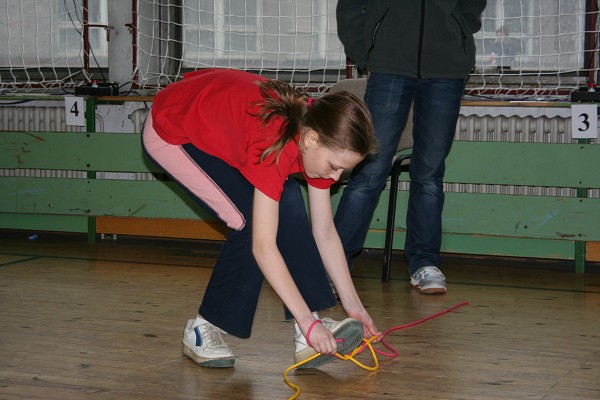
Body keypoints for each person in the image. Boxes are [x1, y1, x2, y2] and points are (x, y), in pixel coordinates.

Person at [142, 68, 381, 368]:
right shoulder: (276, 142)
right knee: (251, 222)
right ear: (309, 140)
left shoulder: (317, 139)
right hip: (172, 130)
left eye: (342, 171)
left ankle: (307, 330)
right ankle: (204, 328)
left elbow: (324, 232)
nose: (335, 177)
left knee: (288, 198)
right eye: (334, 166)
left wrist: (354, 306)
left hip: (218, 123)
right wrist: (306, 321)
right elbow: (263, 247)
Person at [335, 1, 487, 294]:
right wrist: (365, 49)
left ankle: (424, 263)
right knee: (369, 171)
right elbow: (352, 6)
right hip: (389, 65)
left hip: (447, 69)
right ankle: (334, 262)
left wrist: (459, 34)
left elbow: (472, 6)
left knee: (429, 174)